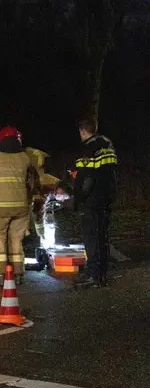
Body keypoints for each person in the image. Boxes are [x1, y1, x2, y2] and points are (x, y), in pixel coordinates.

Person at [0, 126, 39, 286]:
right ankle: (18, 274)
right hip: (21, 206)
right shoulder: (25, 156)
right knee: (16, 239)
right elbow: (41, 160)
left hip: (0, 207)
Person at [74, 118, 118, 287]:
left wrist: (79, 199)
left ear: (82, 131)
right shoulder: (107, 144)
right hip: (106, 197)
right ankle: (102, 275)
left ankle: (93, 276)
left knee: (91, 237)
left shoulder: (87, 148)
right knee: (102, 236)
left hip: (92, 201)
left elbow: (87, 178)